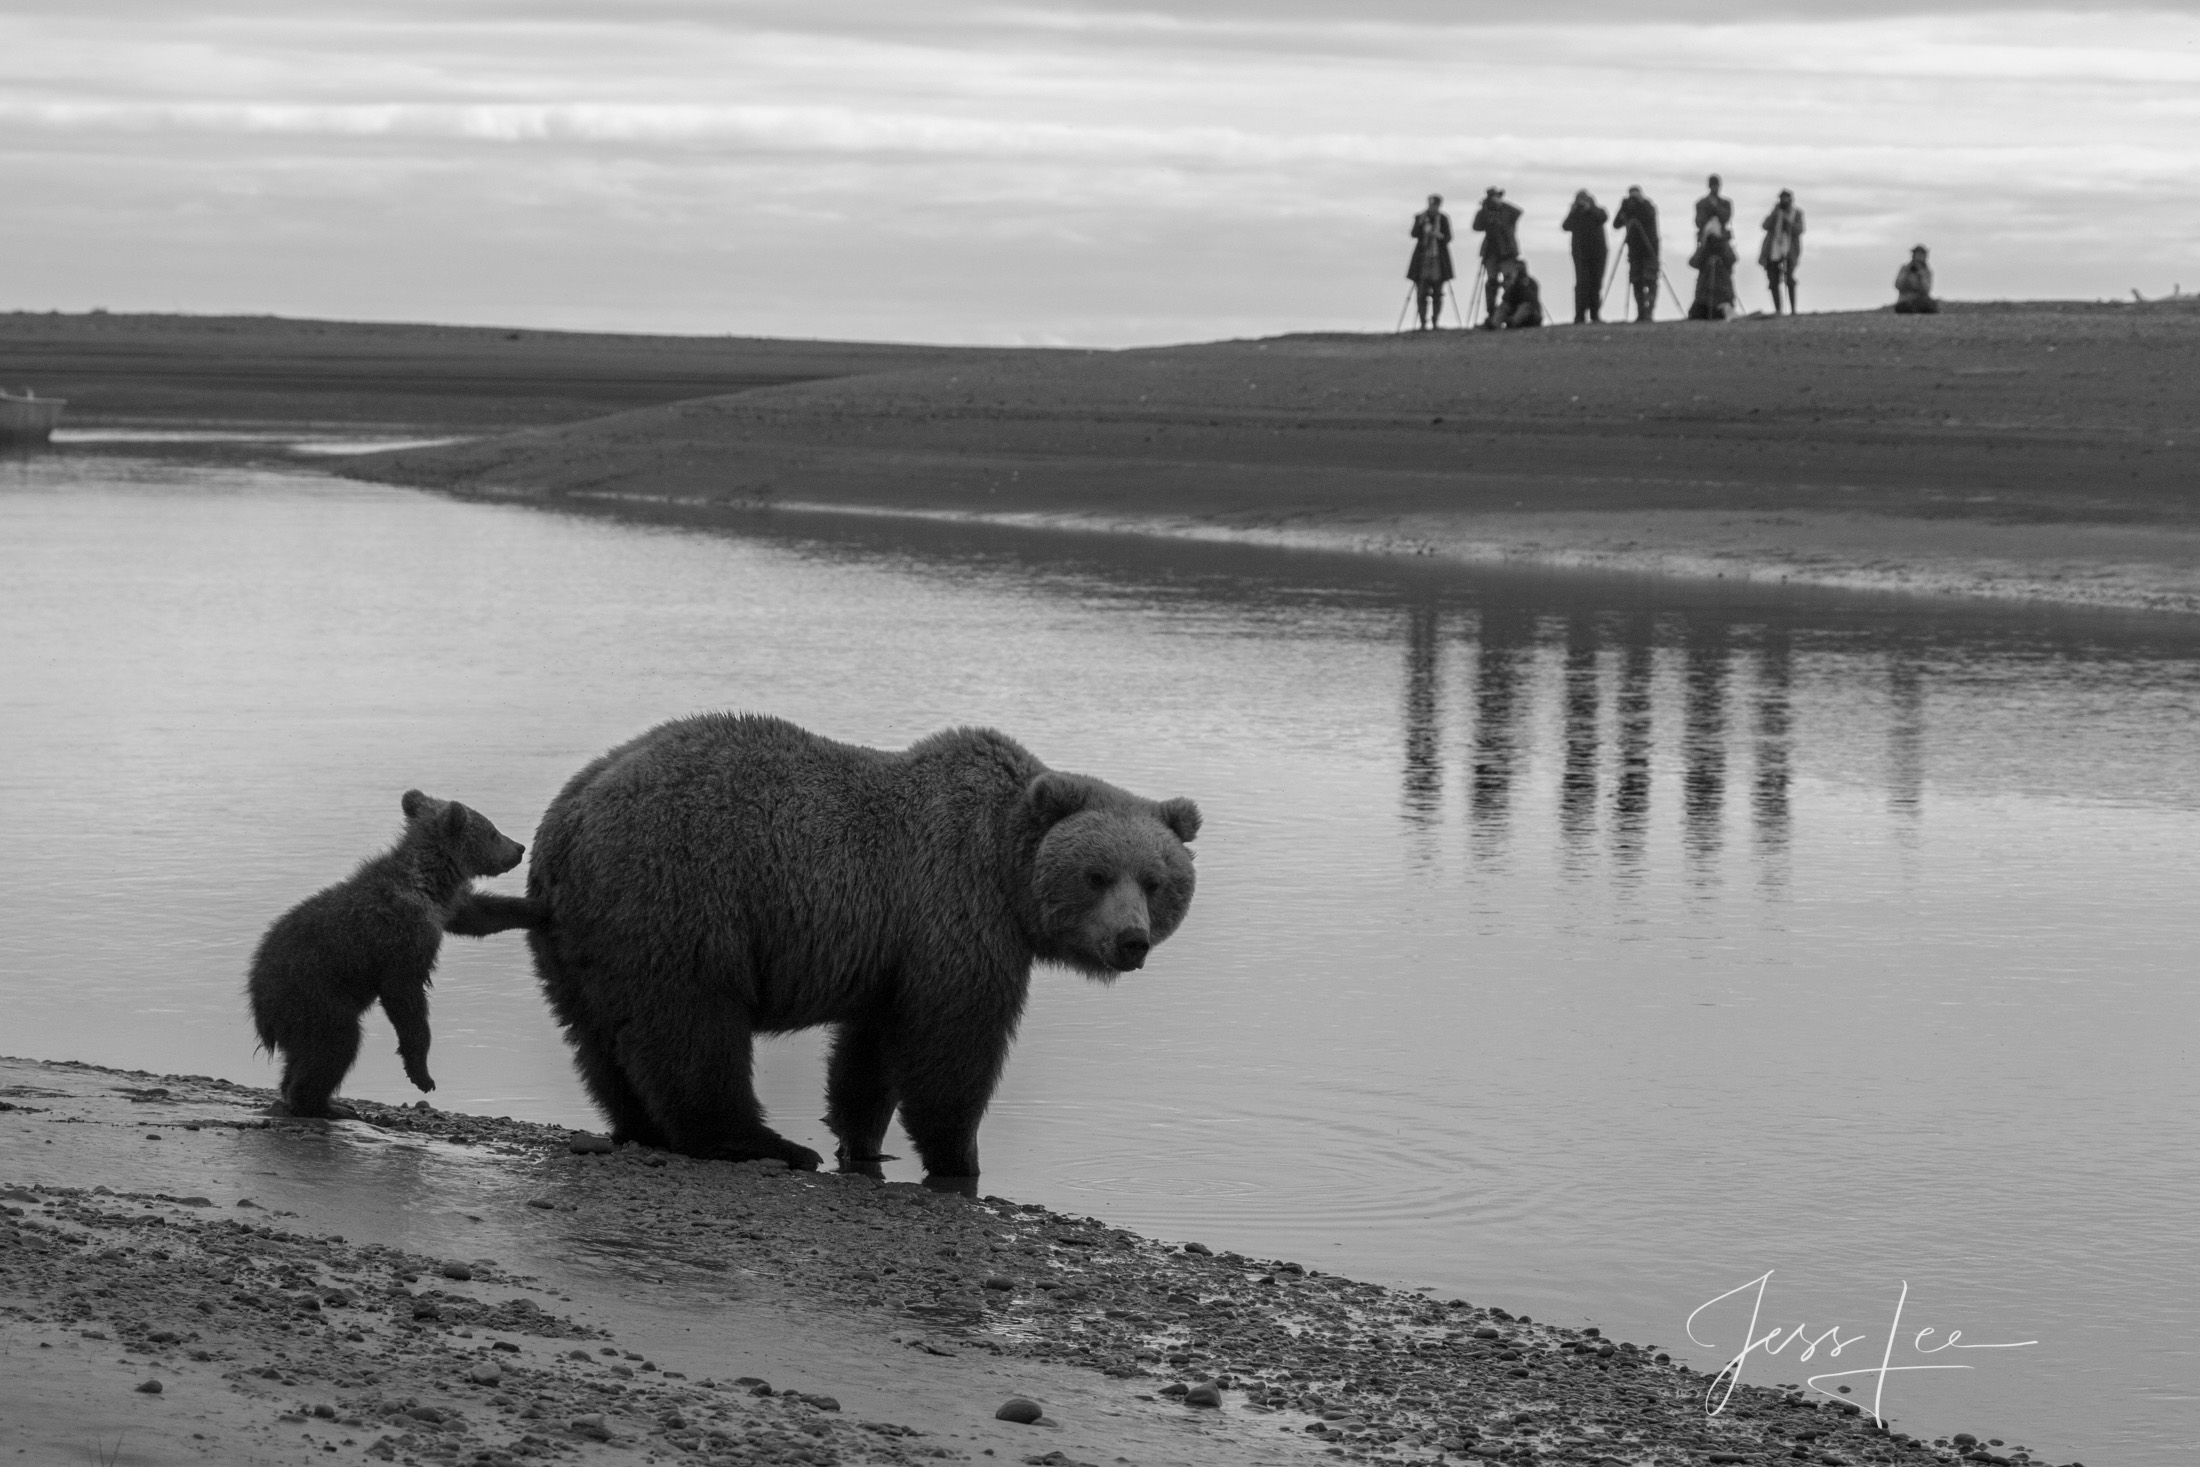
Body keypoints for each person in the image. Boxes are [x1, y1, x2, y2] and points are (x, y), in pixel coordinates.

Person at [1472, 187, 1523, 327]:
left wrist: (1501, 204)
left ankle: (1511, 312)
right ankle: (1492, 314)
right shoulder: (1486, 212)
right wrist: (1484, 210)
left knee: (1509, 282)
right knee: (1491, 283)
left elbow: (1519, 212)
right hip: (1491, 252)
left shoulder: (1507, 211)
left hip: (1507, 251)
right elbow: (1476, 227)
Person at [1612, 186, 1661, 321]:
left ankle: (1649, 311)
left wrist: (1638, 204)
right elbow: (1616, 224)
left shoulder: (1647, 206)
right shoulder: (1628, 208)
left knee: (1650, 280)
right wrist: (1623, 208)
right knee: (1637, 281)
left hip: (1649, 250)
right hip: (1635, 252)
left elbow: (1647, 216)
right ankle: (1641, 312)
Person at [1407, 195, 1455, 330]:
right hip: (1423, 260)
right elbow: (1414, 234)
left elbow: (1448, 238)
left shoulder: (1443, 219)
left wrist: (1439, 235)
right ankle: (1423, 322)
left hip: (1438, 260)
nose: (1433, 207)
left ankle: (1435, 322)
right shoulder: (1420, 217)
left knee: (1437, 292)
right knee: (1421, 291)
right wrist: (1421, 223)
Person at [1562, 190, 1609, 324]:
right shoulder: (1576, 214)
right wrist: (1574, 211)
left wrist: (1590, 209)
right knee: (1582, 284)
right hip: (1580, 254)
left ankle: (1595, 314)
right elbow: (1565, 226)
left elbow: (1604, 218)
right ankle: (1580, 315)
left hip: (1598, 252)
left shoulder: (1598, 211)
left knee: (1596, 283)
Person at [1760, 189, 1804, 315]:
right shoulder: (1775, 212)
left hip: (1790, 251)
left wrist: (1787, 220)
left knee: (1789, 279)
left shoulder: (1797, 213)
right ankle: (1778, 310)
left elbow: (1799, 230)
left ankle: (1793, 310)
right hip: (1773, 250)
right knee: (1773, 280)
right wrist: (1776, 214)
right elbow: (1765, 225)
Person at [1689, 217, 1738, 320]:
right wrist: (1704, 247)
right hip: (1706, 297)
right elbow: (1694, 262)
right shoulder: (1709, 249)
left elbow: (1732, 260)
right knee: (1696, 315)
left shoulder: (1721, 247)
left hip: (1718, 297)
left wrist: (1716, 245)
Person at [1497, 260, 1545, 328]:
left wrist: (1522, 285)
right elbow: (1506, 299)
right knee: (1504, 306)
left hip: (1531, 314)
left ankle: (1513, 323)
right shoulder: (1513, 284)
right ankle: (1495, 323)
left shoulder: (1531, 283)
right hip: (1515, 310)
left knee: (1525, 306)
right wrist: (1513, 284)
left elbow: (1530, 299)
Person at [1894, 245, 1939, 314]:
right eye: (1918, 255)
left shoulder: (1926, 271)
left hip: (1920, 301)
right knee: (1907, 307)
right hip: (1905, 301)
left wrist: (1921, 275)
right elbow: (1898, 285)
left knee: (1931, 305)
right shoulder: (1905, 268)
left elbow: (1927, 290)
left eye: (1922, 255)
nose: (1919, 258)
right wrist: (1906, 272)